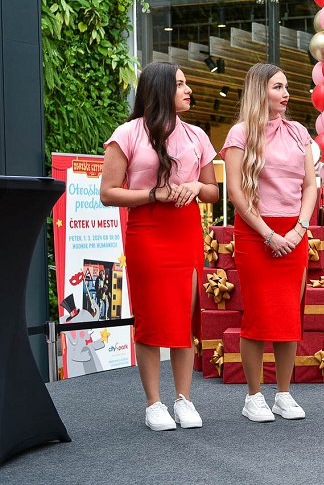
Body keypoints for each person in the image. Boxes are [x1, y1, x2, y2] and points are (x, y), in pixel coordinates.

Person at [100, 62, 218, 431]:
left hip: (186, 232)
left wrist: (196, 188)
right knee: (152, 318)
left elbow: (214, 191)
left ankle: (184, 398)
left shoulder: (197, 135)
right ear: (160, 89)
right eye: (180, 84)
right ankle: (154, 403)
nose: (188, 90)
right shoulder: (128, 133)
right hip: (147, 233)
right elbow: (107, 193)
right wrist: (153, 194)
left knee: (185, 317)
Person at [222, 63, 317, 423]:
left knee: (288, 315)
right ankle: (253, 395)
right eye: (278, 87)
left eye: (287, 87)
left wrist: (299, 228)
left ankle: (284, 393)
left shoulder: (298, 133)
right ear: (260, 90)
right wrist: (268, 233)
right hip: (254, 232)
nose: (285, 93)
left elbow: (311, 185)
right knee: (259, 315)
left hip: (294, 232)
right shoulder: (240, 134)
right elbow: (235, 192)